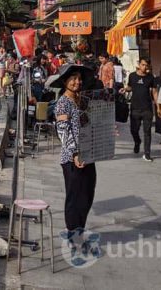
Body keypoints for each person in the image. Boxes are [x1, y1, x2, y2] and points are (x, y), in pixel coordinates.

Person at [55, 64, 98, 258]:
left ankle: (79, 232)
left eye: (79, 78)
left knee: (87, 196)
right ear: (65, 81)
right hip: (72, 158)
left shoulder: (81, 101)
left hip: (88, 155)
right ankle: (74, 238)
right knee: (75, 199)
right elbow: (63, 130)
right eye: (73, 78)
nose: (77, 82)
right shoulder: (63, 103)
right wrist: (74, 153)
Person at [125, 58, 156, 161]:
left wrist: (158, 106)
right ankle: (137, 141)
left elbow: (154, 92)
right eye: (143, 65)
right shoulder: (132, 76)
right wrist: (125, 89)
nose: (144, 67)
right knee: (134, 130)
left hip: (147, 108)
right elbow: (130, 87)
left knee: (147, 132)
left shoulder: (150, 77)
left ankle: (147, 153)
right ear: (139, 64)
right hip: (135, 108)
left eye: (146, 65)